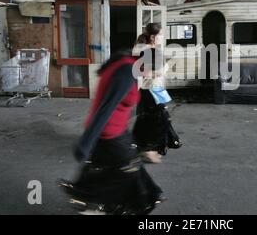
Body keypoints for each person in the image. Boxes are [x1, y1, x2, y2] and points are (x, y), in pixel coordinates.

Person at [59, 48, 165, 215]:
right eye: (154, 71)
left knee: (106, 168)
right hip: (109, 132)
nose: (155, 75)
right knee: (130, 169)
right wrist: (86, 142)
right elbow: (106, 108)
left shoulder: (125, 61)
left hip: (114, 130)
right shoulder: (125, 72)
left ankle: (89, 202)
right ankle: (96, 203)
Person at [132, 23, 182, 164]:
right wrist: (160, 71)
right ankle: (149, 148)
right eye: (160, 34)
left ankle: (146, 145)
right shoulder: (149, 50)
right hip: (151, 88)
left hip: (152, 88)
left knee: (149, 117)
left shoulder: (148, 49)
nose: (162, 37)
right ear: (153, 37)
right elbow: (143, 71)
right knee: (159, 117)